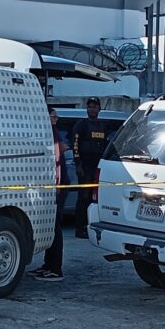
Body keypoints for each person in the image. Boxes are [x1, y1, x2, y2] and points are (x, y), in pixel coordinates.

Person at [30, 107, 67, 282]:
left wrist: (56, 185)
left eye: (55, 116)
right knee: (49, 225)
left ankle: (55, 268)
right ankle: (48, 264)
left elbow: (56, 160)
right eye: (52, 116)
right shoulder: (47, 132)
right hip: (50, 184)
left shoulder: (52, 133)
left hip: (56, 184)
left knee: (54, 226)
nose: (55, 119)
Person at [71, 96, 109, 239]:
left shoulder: (103, 126)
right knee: (84, 197)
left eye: (94, 107)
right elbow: (75, 145)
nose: (92, 109)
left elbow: (106, 146)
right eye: (90, 107)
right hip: (85, 167)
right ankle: (79, 228)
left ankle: (91, 226)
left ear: (99, 109)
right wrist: (78, 164)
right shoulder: (81, 125)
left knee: (95, 198)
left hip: (98, 167)